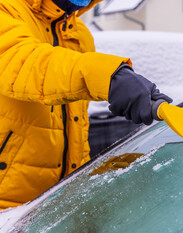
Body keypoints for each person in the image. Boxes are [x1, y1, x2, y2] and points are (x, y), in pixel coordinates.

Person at [0, 0, 172, 210]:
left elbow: (76, 124)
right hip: (6, 208)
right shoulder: (6, 9)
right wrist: (108, 78)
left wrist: (84, 177)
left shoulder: (79, 35)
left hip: (50, 207)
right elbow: (25, 62)